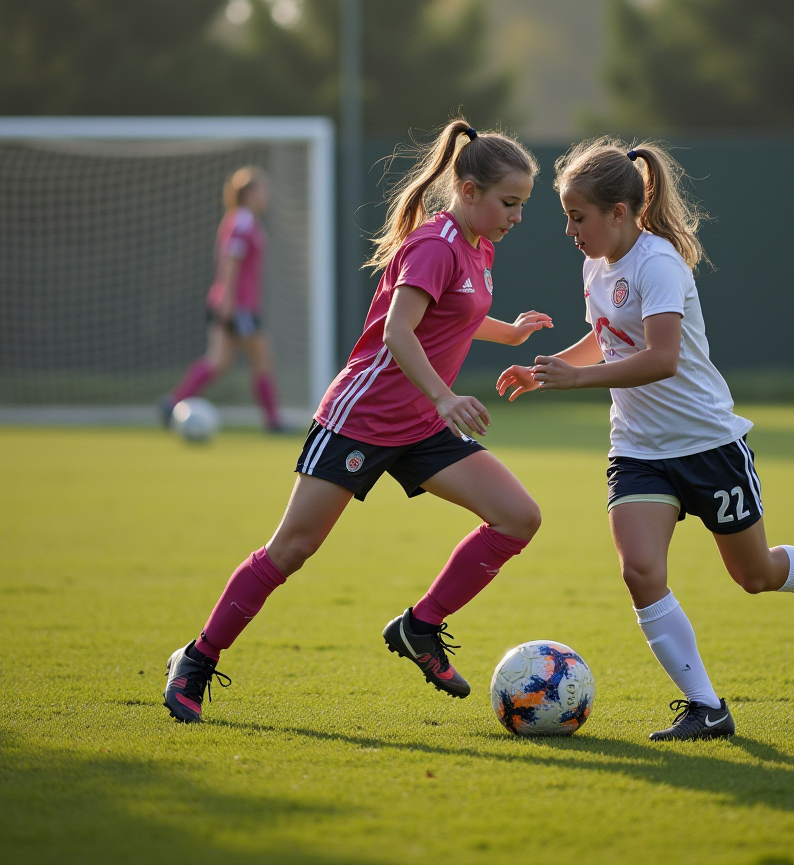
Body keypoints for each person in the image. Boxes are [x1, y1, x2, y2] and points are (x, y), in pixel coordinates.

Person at [497, 138, 794, 742]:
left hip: (707, 445)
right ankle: (707, 707)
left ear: (619, 212)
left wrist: (578, 380)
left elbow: (661, 358)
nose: (569, 230)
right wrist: (547, 368)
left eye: (576, 217)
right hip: (638, 450)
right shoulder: (596, 263)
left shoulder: (659, 263)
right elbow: (607, 335)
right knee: (640, 571)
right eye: (568, 217)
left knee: (756, 576)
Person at [163, 120, 553, 723]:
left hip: (421, 424)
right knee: (291, 550)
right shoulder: (434, 244)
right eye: (510, 203)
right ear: (469, 190)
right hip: (361, 420)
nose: (517, 216)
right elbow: (398, 332)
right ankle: (196, 659)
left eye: (522, 205)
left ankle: (421, 627)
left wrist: (511, 333)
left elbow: (458, 315)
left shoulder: (479, 245)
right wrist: (448, 399)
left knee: (518, 518)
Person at [160, 165, 285, 432]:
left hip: (234, 303)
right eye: (263, 190)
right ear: (249, 193)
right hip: (239, 306)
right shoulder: (242, 221)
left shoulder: (242, 219)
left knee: (218, 361)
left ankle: (172, 403)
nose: (266, 196)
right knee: (262, 358)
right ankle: (274, 421)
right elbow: (230, 261)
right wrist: (227, 301)